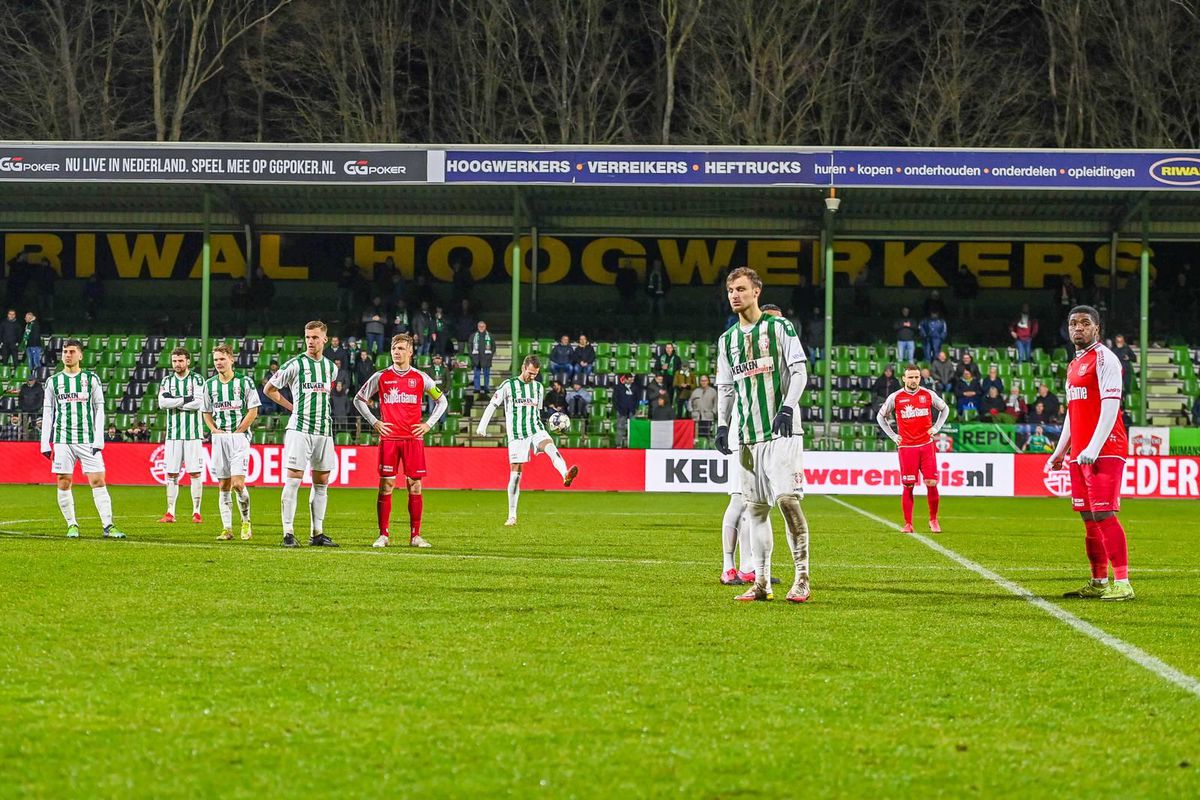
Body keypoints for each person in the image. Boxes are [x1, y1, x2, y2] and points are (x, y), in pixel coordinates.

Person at [715, 266, 810, 604]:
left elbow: (799, 370)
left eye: (740, 289)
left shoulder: (779, 326)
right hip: (747, 436)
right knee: (755, 510)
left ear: (756, 291)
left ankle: (802, 577)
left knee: (786, 500)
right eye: (730, 291)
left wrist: (787, 407)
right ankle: (762, 583)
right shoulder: (727, 341)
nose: (734, 296)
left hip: (781, 430)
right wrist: (723, 425)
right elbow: (726, 388)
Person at [1045, 305, 1134, 601]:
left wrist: (1094, 448)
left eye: (1085, 323)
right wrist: (1060, 451)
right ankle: (1098, 581)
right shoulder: (1074, 364)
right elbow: (1073, 411)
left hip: (1106, 449)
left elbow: (1111, 407)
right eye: (1073, 323)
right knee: (1087, 515)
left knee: (1104, 512)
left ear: (1096, 328)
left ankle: (1122, 582)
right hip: (1081, 451)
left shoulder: (1106, 358)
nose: (1078, 328)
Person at [354, 333, 446, 549]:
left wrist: (428, 425)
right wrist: (375, 421)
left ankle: (415, 536)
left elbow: (442, 401)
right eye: (395, 348)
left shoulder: (421, 378)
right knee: (386, 484)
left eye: (402, 348)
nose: (397, 352)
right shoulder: (381, 377)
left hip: (413, 439)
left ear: (411, 352)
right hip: (389, 439)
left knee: (415, 485)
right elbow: (359, 399)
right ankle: (383, 535)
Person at [475, 355, 578, 526]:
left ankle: (565, 474)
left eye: (535, 374)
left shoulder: (538, 387)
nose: (532, 377)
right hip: (517, 434)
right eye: (530, 373)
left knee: (550, 447)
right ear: (523, 367)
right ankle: (512, 515)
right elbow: (493, 405)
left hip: (535, 428)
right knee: (516, 474)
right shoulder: (509, 385)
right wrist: (482, 426)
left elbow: (536, 411)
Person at [39, 339, 126, 539]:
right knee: (63, 481)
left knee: (97, 480)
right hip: (62, 440)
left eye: (71, 351)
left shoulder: (91, 379)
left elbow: (99, 409)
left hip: (87, 440)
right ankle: (72, 525)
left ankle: (108, 525)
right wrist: (45, 442)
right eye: (65, 352)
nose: (67, 355)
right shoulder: (53, 381)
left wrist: (99, 439)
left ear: (80, 355)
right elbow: (48, 412)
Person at [264, 320, 340, 548]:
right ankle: (288, 532)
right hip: (300, 430)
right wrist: (291, 407)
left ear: (325, 339)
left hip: (324, 431)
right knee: (294, 479)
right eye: (308, 337)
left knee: (322, 481)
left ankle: (317, 533)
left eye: (315, 337)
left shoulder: (331, 368)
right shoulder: (295, 364)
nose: (311, 341)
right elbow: (269, 389)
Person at [876, 364, 950, 533]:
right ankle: (908, 523)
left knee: (931, 482)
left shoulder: (928, 394)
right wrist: (894, 436)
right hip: (907, 447)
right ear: (904, 378)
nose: (914, 380)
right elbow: (880, 417)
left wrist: (936, 428)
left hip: (926, 446)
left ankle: (933, 520)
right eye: (910, 377)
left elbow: (945, 409)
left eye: (916, 377)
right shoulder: (896, 397)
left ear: (919, 378)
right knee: (908, 485)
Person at [201, 344, 260, 541]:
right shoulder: (209, 385)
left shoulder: (244, 382)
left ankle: (246, 521)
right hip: (220, 439)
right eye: (216, 359)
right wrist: (213, 430)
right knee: (224, 485)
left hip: (239, 439)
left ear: (231, 360)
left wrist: (241, 429)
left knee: (237, 484)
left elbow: (253, 409)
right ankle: (227, 529)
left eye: (222, 359)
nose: (218, 363)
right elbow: (206, 411)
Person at [155, 347, 205, 525]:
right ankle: (170, 512)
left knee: (195, 473)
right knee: (171, 474)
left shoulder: (197, 379)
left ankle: (196, 512)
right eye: (175, 361)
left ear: (188, 361)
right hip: (173, 435)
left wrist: (174, 401)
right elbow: (162, 403)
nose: (177, 364)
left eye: (181, 361)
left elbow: (199, 403)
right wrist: (185, 399)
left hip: (193, 434)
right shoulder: (167, 380)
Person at [468, 321, 494, 395]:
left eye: (483, 326)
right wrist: (472, 356)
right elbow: (469, 346)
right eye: (480, 326)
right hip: (476, 358)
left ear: (485, 327)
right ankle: (477, 388)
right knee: (476, 374)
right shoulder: (473, 336)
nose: (481, 328)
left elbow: (493, 346)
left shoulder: (490, 336)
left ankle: (486, 388)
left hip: (486, 358)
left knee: (486, 374)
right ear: (477, 327)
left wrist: (490, 356)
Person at [613, 373, 637, 445]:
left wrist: (635, 408)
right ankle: (618, 444)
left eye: (632, 380)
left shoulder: (635, 387)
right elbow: (614, 399)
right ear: (625, 379)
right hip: (621, 411)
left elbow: (637, 398)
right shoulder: (618, 387)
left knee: (633, 428)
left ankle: (633, 444)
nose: (631, 381)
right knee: (620, 428)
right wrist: (618, 409)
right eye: (629, 380)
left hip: (632, 411)